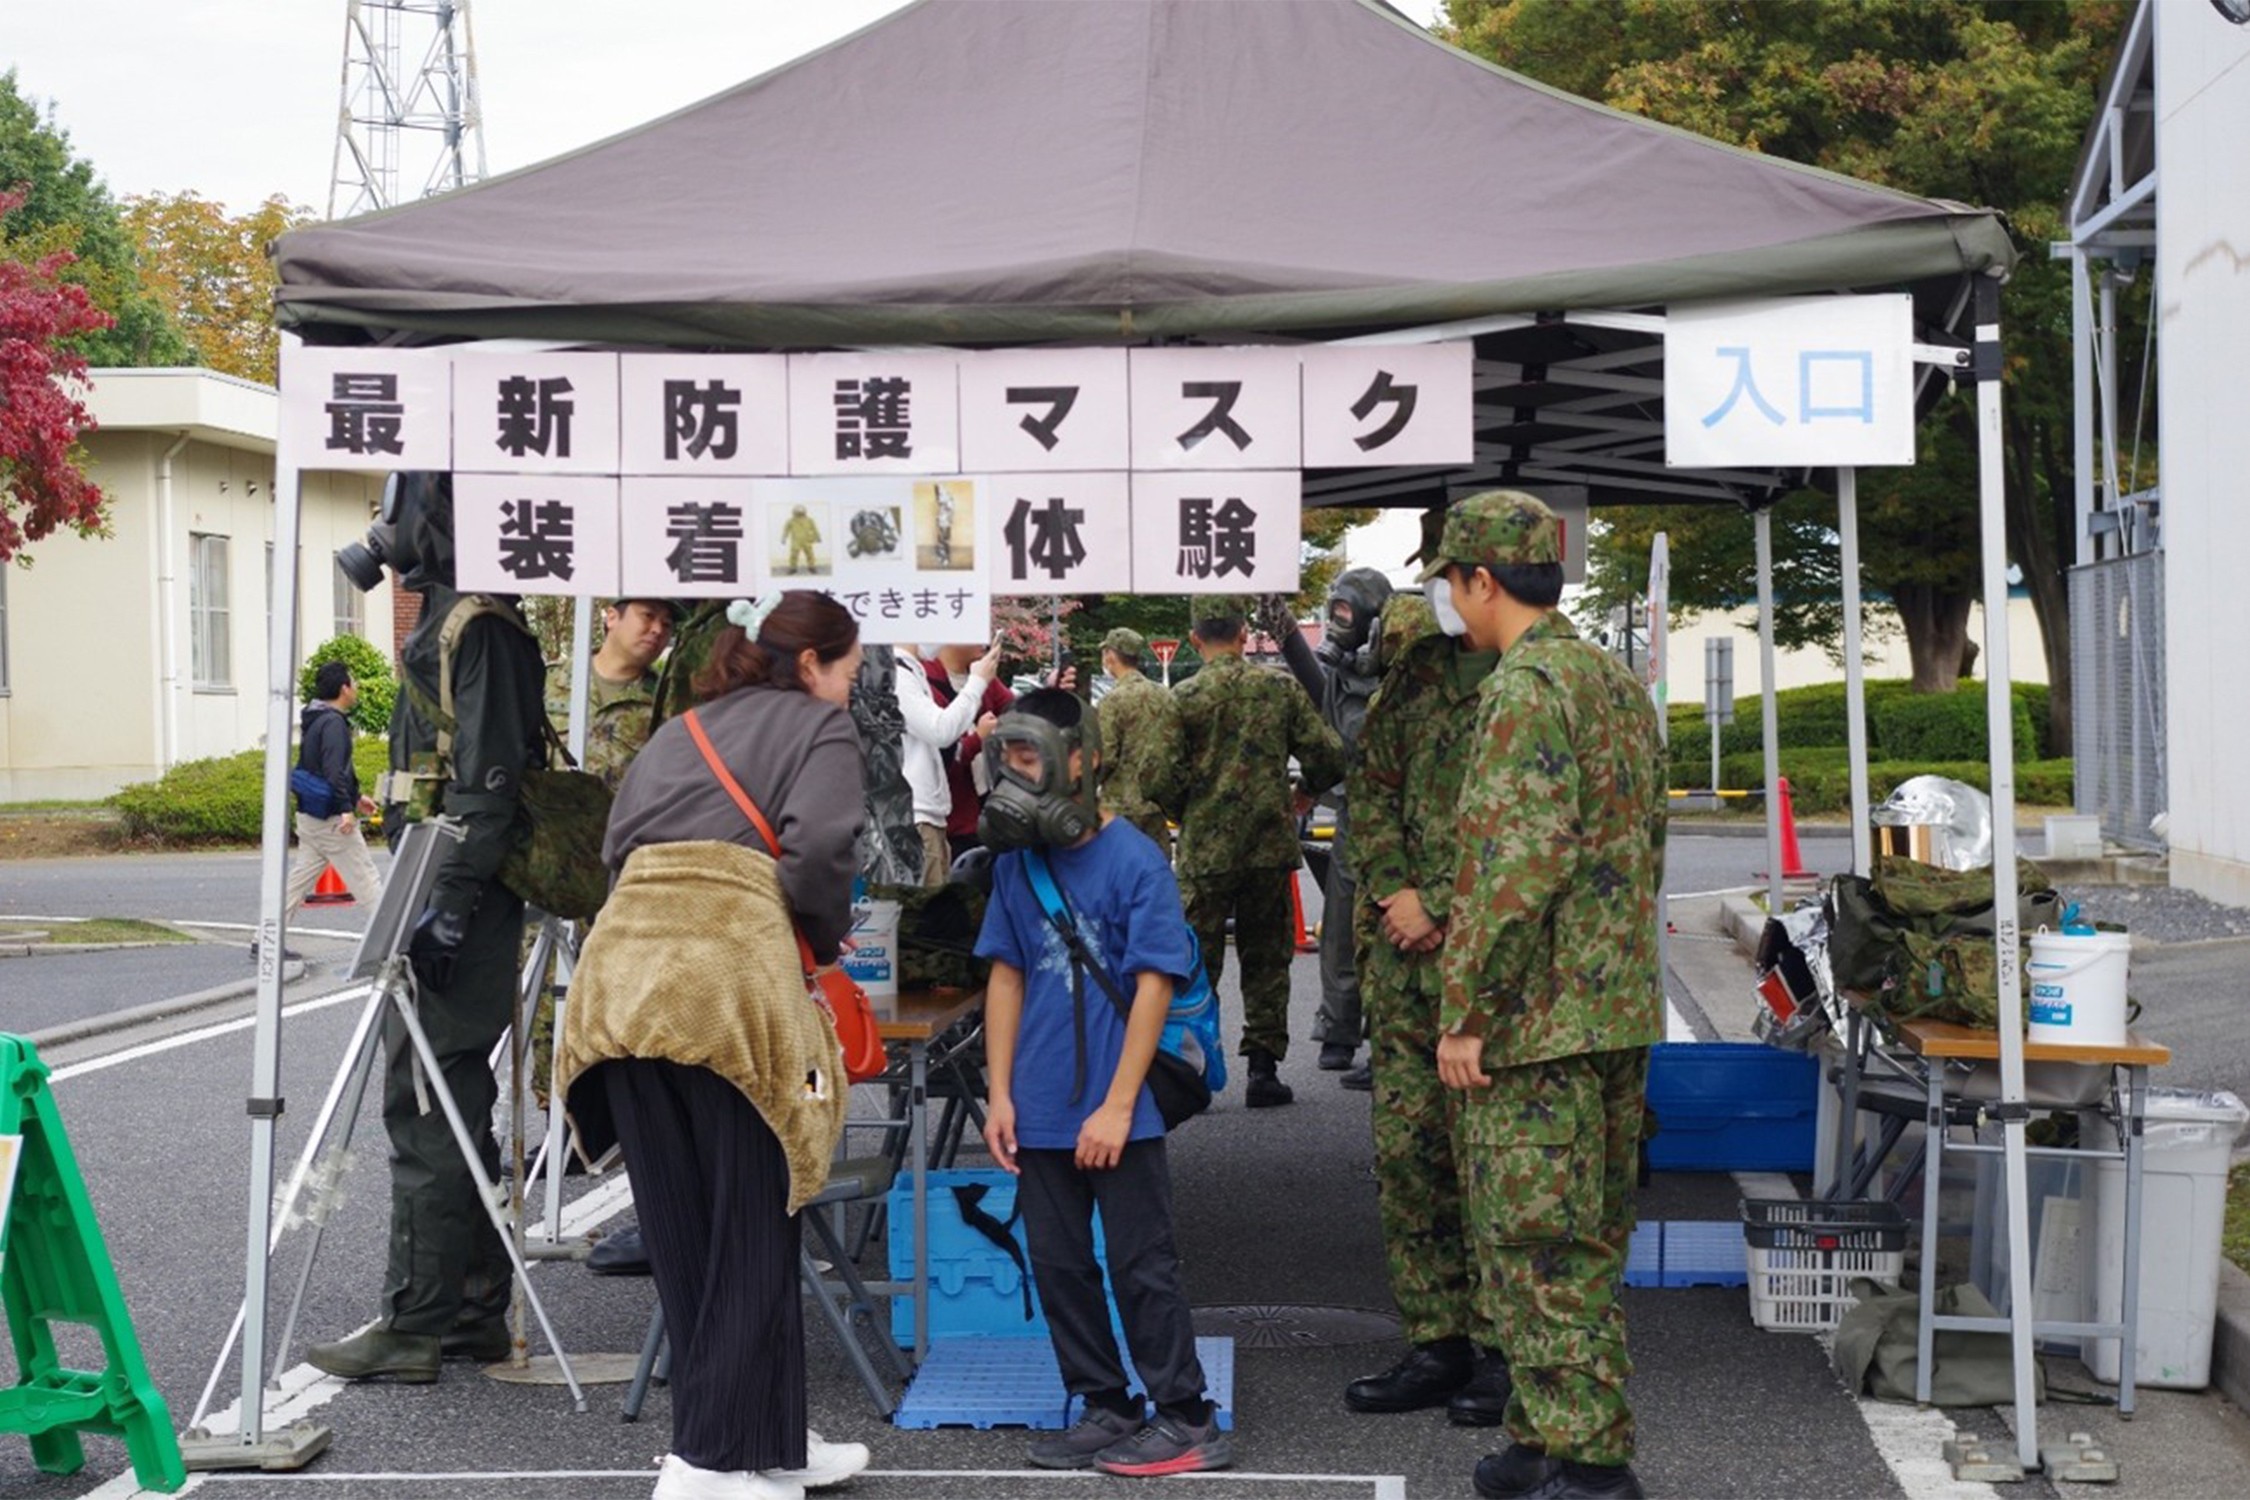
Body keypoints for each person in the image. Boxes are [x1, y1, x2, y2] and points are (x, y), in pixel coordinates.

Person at [555, 591, 873, 1500]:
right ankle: (706, 1462)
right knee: (754, 1221)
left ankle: (761, 1438)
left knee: (685, 1225)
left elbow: (616, 853)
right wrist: (814, 937)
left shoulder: (677, 732)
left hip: (620, 989)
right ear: (812, 664)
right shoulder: (820, 729)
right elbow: (818, 855)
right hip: (728, 989)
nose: (849, 689)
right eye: (849, 670)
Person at [1425, 491, 1664, 1500]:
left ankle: (1593, 1464)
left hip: (1538, 1023)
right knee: (1581, 1237)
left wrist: (1467, 1011)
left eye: (1449, 580)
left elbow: (1516, 868)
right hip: (1610, 1008)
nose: (1447, 600)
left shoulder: (1525, 689)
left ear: (1483, 580)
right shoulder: (1610, 678)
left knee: (1539, 1248)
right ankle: (1543, 1434)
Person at [309, 472, 543, 1385]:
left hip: (458, 897)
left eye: (398, 505)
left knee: (426, 1101)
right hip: (435, 885)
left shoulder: (479, 628)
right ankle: (469, 1307)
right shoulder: (454, 622)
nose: (385, 525)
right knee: (446, 1098)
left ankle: (416, 1321)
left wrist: (447, 905)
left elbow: (488, 787)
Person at [974, 689, 1232, 1478]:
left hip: (1122, 1110)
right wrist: (1002, 1093)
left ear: (1079, 760)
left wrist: (1119, 1107)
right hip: (1041, 1105)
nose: (1016, 776)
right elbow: (1006, 976)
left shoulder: (1136, 861)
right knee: (1058, 1265)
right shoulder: (1017, 865)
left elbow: (1155, 983)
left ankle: (1185, 1415)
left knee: (1140, 1265)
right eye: (1006, 759)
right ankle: (1105, 1403)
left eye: (1031, 758)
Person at [1340, 577, 1521, 1426]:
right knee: (1410, 1166)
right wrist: (1393, 891)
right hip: (1404, 970)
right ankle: (1436, 1341)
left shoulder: (1526, 686)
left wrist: (1442, 906)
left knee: (1489, 1167)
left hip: (1491, 978)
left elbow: (1538, 832)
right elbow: (1368, 795)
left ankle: (1501, 1350)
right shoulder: (1406, 692)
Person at [1151, 599, 1343, 1108]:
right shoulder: (1277, 686)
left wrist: (1187, 807)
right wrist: (1306, 794)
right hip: (1267, 844)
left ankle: (1197, 1066)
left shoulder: (1183, 698)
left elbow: (1155, 775)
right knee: (1266, 959)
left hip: (1205, 851)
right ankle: (1263, 1069)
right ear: (1242, 633)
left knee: (1198, 961)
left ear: (1195, 639)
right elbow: (1328, 753)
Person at [1264, 567, 1394, 1087]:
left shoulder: (1402, 674)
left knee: (1390, 937)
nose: (1339, 622)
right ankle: (1339, 1031)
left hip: (1396, 823)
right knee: (1339, 931)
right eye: (1333, 612)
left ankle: (1387, 1041)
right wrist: (1288, 634)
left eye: (1347, 613)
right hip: (1352, 818)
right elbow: (1324, 713)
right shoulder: (1339, 675)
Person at [273, 660, 385, 948]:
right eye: (354, 683)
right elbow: (334, 769)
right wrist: (346, 808)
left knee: (298, 883)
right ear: (343, 689)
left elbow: (322, 767)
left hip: (310, 815)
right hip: (332, 820)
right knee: (366, 879)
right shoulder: (334, 722)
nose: (356, 688)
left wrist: (356, 797)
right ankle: (393, 941)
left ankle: (266, 938)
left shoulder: (315, 718)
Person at [894, 639, 1003, 885]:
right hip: (917, 815)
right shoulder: (898, 674)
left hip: (931, 814)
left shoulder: (910, 669)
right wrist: (977, 682)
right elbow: (941, 731)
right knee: (924, 912)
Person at [545, 597, 677, 791]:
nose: (658, 630)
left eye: (667, 624)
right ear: (612, 618)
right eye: (648, 616)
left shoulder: (667, 702)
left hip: (620, 820)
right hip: (546, 817)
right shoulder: (548, 680)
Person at [927, 642, 1016, 862]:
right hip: (948, 818)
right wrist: (978, 739)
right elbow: (941, 756)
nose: (984, 641)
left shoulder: (984, 679)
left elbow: (1015, 709)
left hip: (983, 809)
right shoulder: (924, 681)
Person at [1093, 627, 1176, 850]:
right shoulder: (1165, 695)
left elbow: (1106, 756)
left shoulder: (1112, 701)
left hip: (1120, 807)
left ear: (1110, 656)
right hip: (1157, 804)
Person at [781, 504, 822, 575]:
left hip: (807, 540)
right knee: (794, 555)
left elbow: (815, 529)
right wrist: (784, 538)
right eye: (798, 512)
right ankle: (793, 568)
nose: (799, 514)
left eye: (801, 512)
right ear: (794, 512)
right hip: (796, 541)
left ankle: (811, 567)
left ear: (804, 512)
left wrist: (818, 537)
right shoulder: (791, 521)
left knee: (810, 555)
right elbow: (786, 530)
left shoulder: (809, 520)